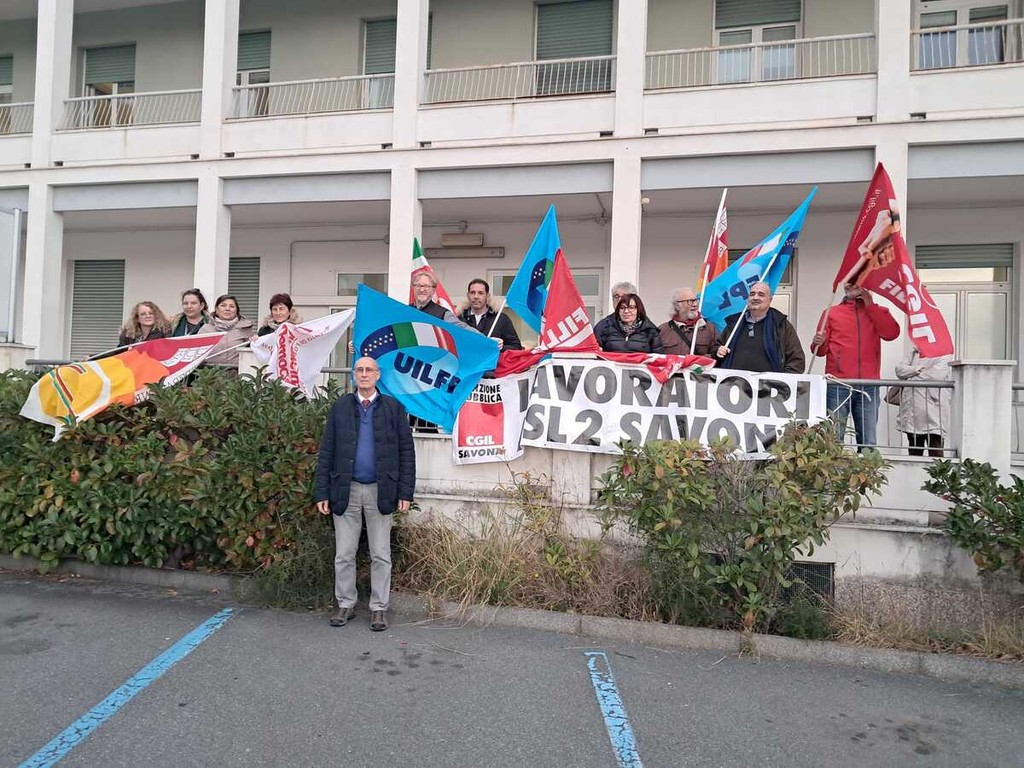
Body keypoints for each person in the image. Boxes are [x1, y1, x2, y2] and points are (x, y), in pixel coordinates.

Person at [314, 356, 416, 632]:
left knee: (381, 554)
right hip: (345, 488)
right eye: (359, 369)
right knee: (344, 554)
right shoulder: (341, 407)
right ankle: (345, 603)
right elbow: (327, 451)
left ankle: (379, 608)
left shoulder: (393, 408)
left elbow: (406, 453)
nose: (364, 374)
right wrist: (322, 492)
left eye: (369, 370)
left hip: (381, 490)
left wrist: (405, 492)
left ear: (378, 375)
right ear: (354, 375)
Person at [811, 283, 900, 448]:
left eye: (855, 282)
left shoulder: (877, 311)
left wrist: (870, 305)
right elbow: (819, 351)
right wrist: (818, 342)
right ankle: (834, 466)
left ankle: (867, 466)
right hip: (837, 384)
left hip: (868, 385)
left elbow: (891, 334)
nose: (850, 285)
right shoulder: (831, 313)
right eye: (848, 283)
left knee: (868, 442)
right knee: (833, 440)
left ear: (866, 285)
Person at [716, 282, 805, 373]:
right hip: (733, 381)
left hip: (770, 382)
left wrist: (781, 380)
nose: (755, 298)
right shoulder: (734, 323)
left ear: (770, 300)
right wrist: (718, 351)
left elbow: (797, 361)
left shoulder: (781, 325)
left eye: (761, 294)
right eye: (752, 294)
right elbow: (716, 349)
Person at [895, 349, 953, 457]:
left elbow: (935, 375)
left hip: (934, 412)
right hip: (913, 411)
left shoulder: (945, 355)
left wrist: (910, 376)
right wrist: (917, 369)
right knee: (914, 453)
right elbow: (899, 370)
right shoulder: (914, 353)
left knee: (936, 452)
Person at [457, 279, 522, 350]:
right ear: (468, 295)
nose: (476, 296)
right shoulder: (458, 319)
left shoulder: (501, 319)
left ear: (487, 296)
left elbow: (517, 347)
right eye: (472, 292)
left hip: (494, 357)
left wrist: (501, 347)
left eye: (480, 293)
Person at [197, 294, 255, 368]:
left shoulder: (245, 328)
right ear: (216, 309)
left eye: (232, 306)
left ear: (237, 311)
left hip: (237, 373)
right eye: (223, 305)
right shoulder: (205, 329)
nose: (227, 309)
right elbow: (197, 355)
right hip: (210, 373)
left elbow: (253, 352)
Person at [594, 293, 664, 354]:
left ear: (639, 310)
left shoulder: (650, 330)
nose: (626, 311)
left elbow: (658, 357)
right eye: (622, 308)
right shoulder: (606, 328)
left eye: (631, 307)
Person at [659, 287, 719, 357]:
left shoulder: (709, 328)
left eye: (695, 300)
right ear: (677, 306)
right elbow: (656, 357)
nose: (695, 304)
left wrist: (698, 360)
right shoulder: (663, 330)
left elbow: (716, 355)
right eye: (689, 301)